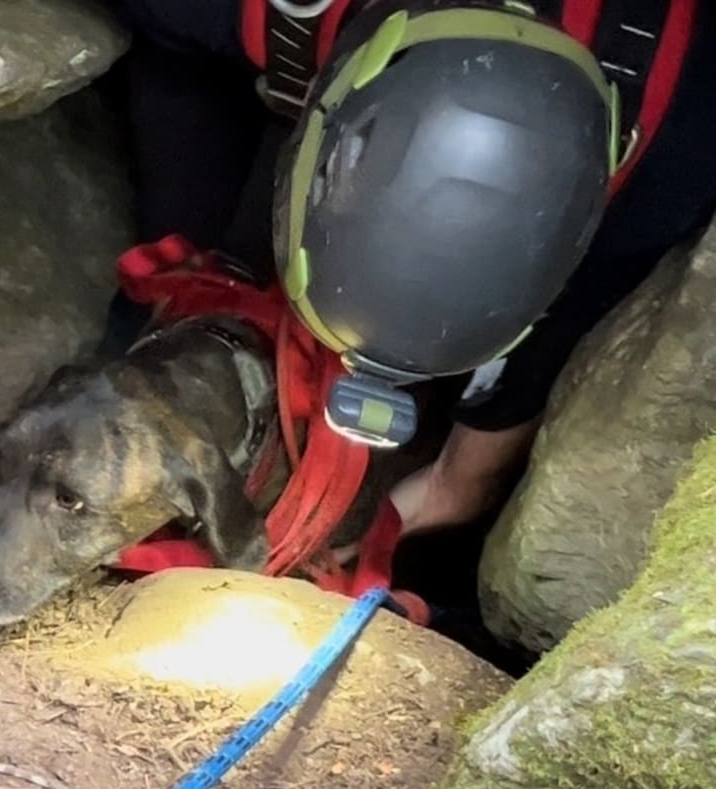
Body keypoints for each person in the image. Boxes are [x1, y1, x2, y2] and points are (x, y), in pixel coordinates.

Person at [97, 0, 716, 553]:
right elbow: (171, 67)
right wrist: (188, 257)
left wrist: (343, 530)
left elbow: (470, 469)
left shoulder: (665, 174)